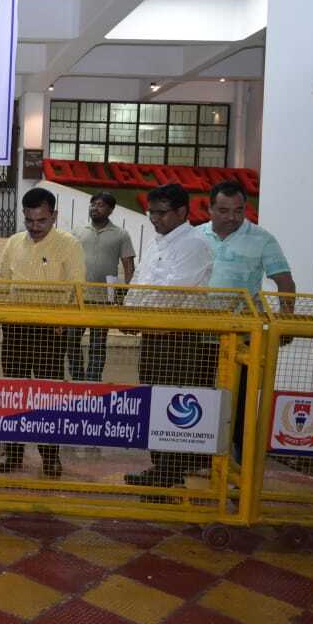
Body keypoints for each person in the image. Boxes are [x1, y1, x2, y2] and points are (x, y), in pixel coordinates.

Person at [0, 187, 85, 478]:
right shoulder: (14, 242)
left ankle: (51, 456)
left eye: (41, 220)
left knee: (48, 395)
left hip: (50, 331)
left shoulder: (69, 245)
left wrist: (64, 320)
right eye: (29, 220)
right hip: (15, 329)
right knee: (13, 393)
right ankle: (12, 451)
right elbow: (3, 280)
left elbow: (77, 286)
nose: (34, 226)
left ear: (54, 216)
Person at [124, 183, 215, 490]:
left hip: (178, 339)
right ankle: (161, 467)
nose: (154, 218)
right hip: (153, 335)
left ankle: (171, 470)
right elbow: (139, 280)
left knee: (173, 405)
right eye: (151, 212)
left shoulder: (194, 244)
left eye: (161, 213)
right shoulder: (157, 242)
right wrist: (127, 314)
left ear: (181, 211)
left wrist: (136, 317)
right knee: (153, 401)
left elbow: (172, 292)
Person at [198, 179, 296, 455]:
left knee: (240, 399)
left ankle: (239, 460)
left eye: (238, 210)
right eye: (224, 210)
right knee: (199, 395)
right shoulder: (196, 236)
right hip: (197, 333)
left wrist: (286, 322)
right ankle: (196, 457)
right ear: (209, 209)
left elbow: (285, 282)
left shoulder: (262, 239)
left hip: (242, 336)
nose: (232, 217)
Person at [68, 192, 135, 382]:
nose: (94, 208)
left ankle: (93, 380)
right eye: (92, 204)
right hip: (78, 298)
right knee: (71, 341)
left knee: (97, 344)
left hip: (104, 299)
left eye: (100, 205)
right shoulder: (77, 231)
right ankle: (78, 379)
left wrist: (128, 296)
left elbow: (129, 266)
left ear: (111, 210)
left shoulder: (121, 235)